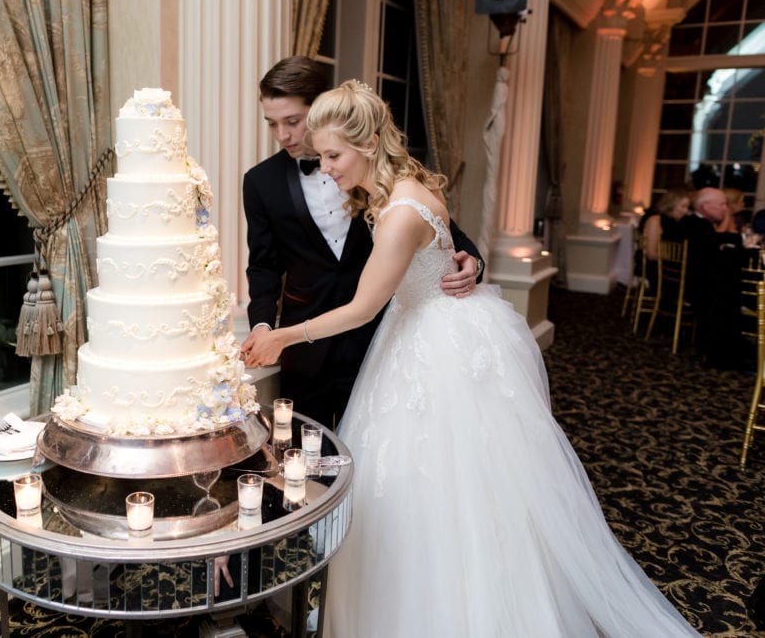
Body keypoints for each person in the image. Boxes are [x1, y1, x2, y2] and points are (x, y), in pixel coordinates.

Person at [243, 80, 699, 636]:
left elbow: (365, 306)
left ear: (367, 145)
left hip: (430, 347)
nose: (327, 166)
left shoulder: (400, 210)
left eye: (335, 155)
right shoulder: (401, 190)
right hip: (425, 330)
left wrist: (283, 337)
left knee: (439, 482)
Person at [242, 56, 482, 428]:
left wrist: (471, 263)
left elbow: (444, 232)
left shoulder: (390, 184)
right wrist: (263, 327)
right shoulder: (261, 182)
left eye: (292, 121)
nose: (283, 135)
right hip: (308, 352)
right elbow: (263, 264)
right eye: (272, 125)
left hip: (381, 338)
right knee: (306, 459)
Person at [678, 187, 750, 371]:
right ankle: (726, 355)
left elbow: (712, 245)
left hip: (700, 280)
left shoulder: (697, 223)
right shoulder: (695, 224)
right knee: (728, 293)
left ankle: (732, 352)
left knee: (729, 288)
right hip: (698, 286)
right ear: (706, 206)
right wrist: (741, 243)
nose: (725, 208)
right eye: (721, 204)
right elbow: (712, 248)